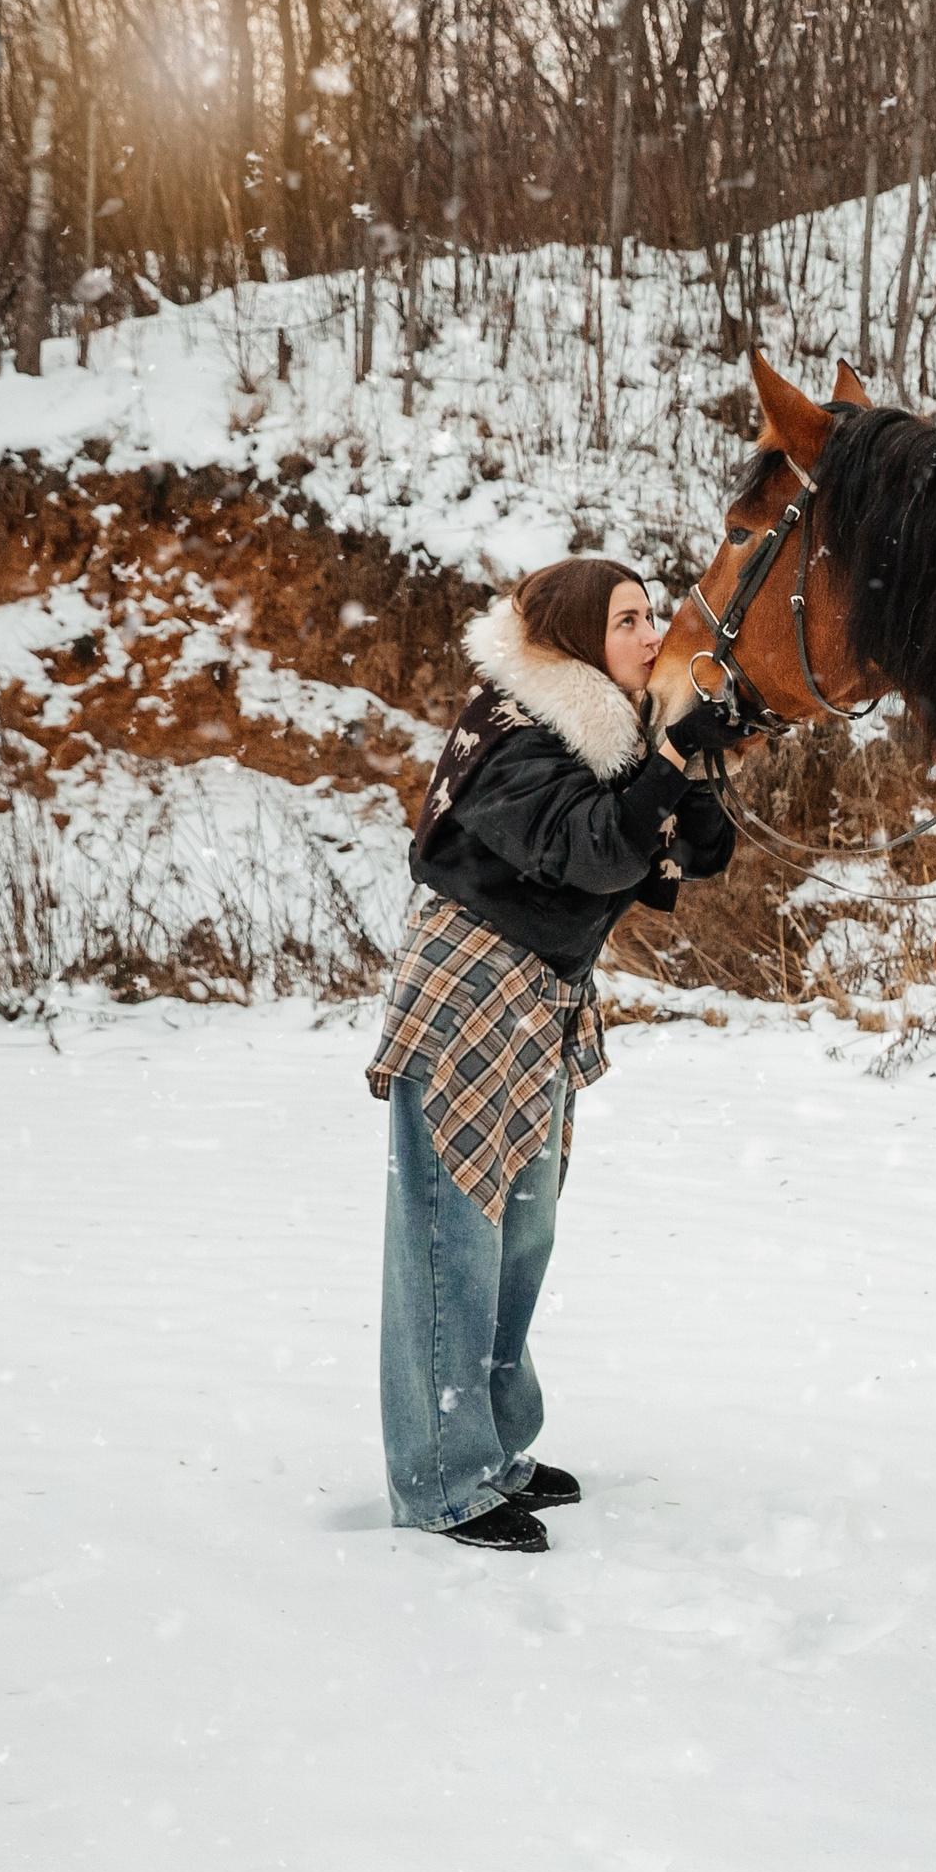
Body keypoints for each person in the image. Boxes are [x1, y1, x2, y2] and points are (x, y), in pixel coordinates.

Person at [365, 557, 754, 1551]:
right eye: (627, 619)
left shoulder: (607, 738)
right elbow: (593, 849)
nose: (647, 633)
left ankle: (493, 1448)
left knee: (520, 1231)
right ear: (580, 633)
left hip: (541, 995)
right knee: (454, 1232)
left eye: (648, 616)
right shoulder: (513, 732)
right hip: (471, 991)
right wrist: (664, 768)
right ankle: (442, 1479)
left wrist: (691, 771)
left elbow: (679, 848)